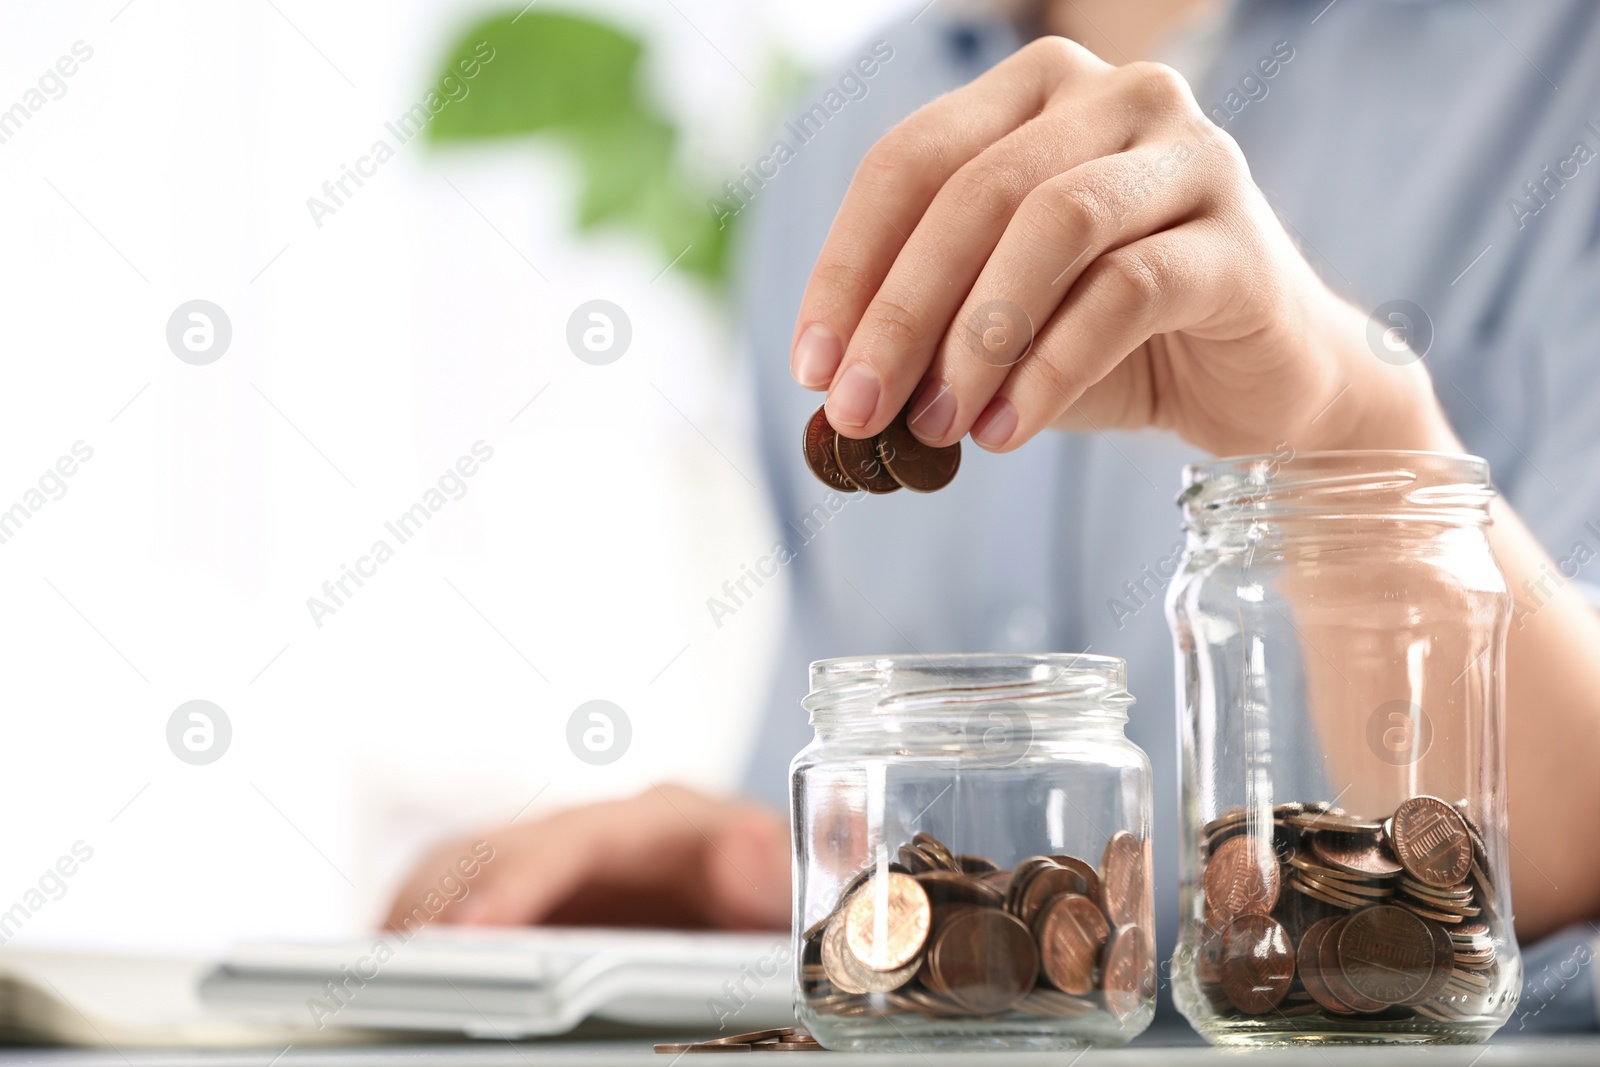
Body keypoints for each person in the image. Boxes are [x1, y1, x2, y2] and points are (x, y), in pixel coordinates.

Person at [390, 0, 1600, 1031]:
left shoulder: (1564, 74)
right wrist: (746, 878)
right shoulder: (834, 141)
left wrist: (1345, 426)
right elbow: (865, 807)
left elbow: (1540, 869)